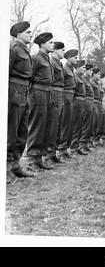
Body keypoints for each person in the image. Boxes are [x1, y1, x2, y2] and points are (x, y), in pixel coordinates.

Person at [8, 21, 35, 177]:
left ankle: (15, 165)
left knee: (22, 129)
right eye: (28, 32)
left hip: (25, 90)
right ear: (19, 35)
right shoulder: (14, 49)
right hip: (15, 89)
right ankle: (5, 168)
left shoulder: (24, 50)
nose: (30, 35)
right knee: (12, 129)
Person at [25, 32, 55, 171]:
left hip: (48, 93)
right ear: (42, 44)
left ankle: (39, 157)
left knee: (46, 126)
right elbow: (29, 76)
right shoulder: (36, 58)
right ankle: (32, 159)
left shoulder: (47, 58)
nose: (53, 44)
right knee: (37, 125)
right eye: (50, 42)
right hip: (38, 93)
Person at [46, 41, 65, 164]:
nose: (63, 52)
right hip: (54, 93)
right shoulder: (52, 62)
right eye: (62, 50)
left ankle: (52, 152)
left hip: (60, 93)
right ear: (56, 50)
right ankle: (48, 153)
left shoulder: (59, 63)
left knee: (57, 124)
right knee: (52, 124)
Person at [58, 49, 78, 160]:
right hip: (66, 97)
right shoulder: (65, 69)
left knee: (69, 124)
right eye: (75, 57)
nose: (76, 59)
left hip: (71, 97)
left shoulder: (71, 69)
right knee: (64, 123)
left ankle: (65, 148)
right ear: (69, 57)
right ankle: (61, 149)